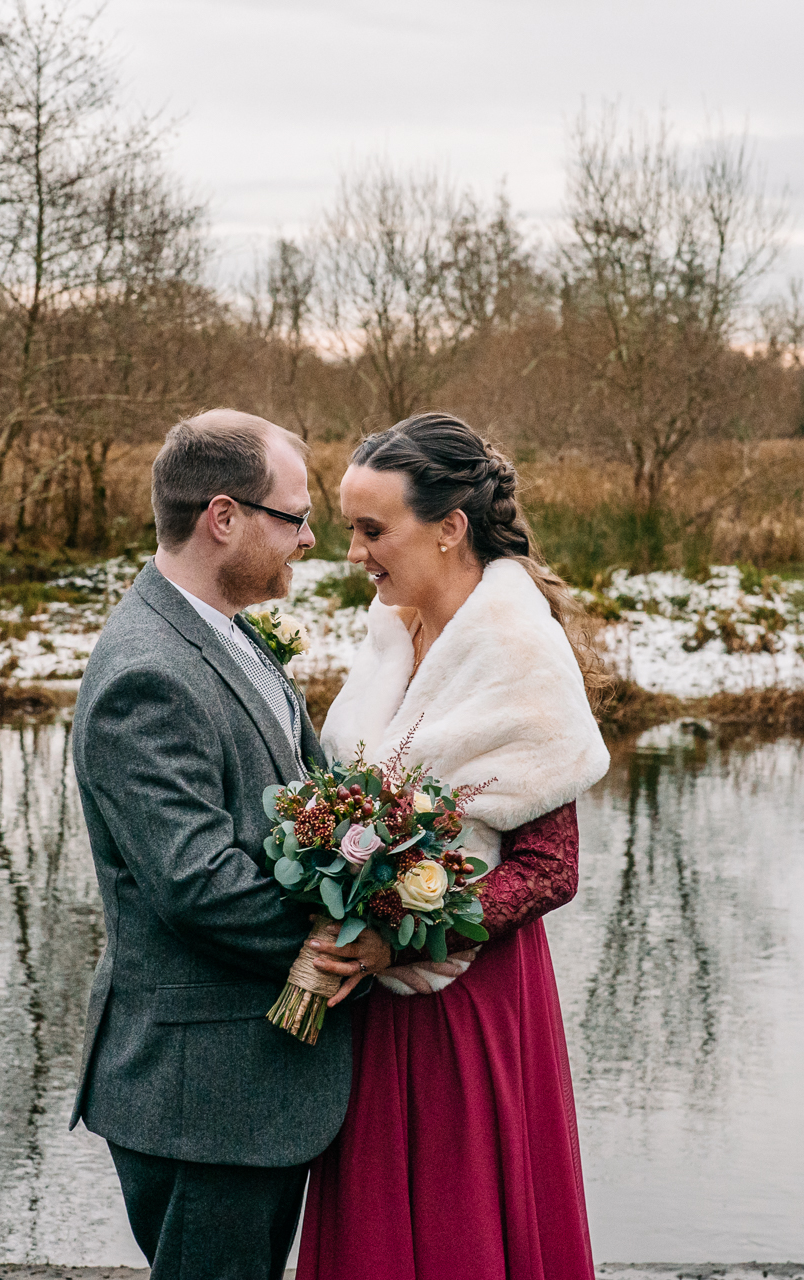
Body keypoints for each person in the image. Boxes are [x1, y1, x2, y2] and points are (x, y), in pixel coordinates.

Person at [70, 409, 393, 1280]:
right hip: (205, 1089)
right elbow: (196, 881)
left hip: (238, 1083)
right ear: (224, 517)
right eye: (293, 517)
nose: (311, 538)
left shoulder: (226, 633)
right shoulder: (148, 674)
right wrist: (341, 941)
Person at [296, 411, 612, 1280]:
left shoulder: (519, 652)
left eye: (371, 529)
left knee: (458, 1225)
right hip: (375, 1003)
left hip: (469, 1002)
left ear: (448, 529)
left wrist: (400, 930)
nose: (354, 552)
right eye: (351, 527)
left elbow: (551, 869)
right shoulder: (389, 634)